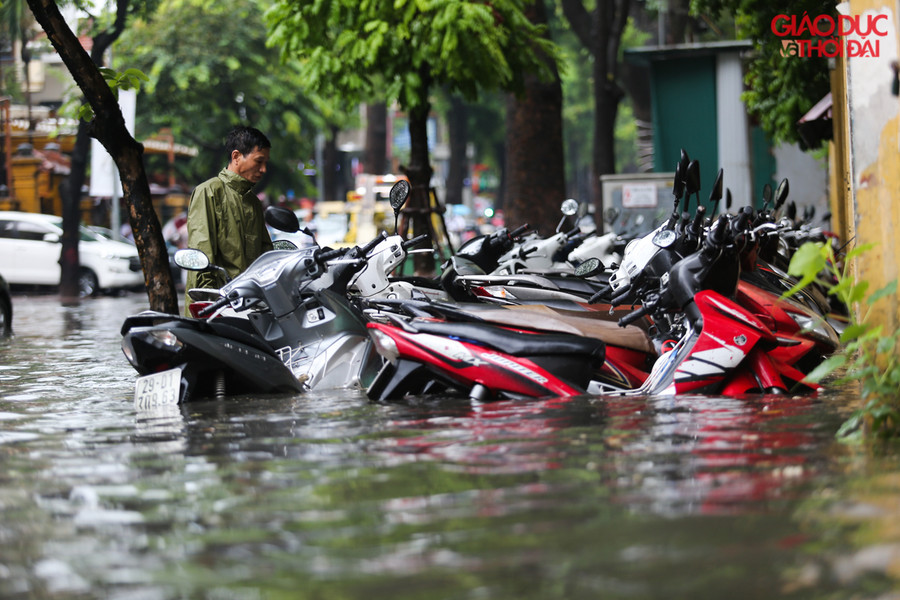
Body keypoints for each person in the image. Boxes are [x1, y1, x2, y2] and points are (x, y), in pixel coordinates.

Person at [183, 126, 274, 315]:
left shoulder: (253, 202)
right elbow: (201, 253)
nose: (263, 169)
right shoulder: (208, 192)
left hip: (249, 305)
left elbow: (266, 255)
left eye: (266, 163)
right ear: (236, 156)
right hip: (217, 305)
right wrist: (208, 302)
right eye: (259, 161)